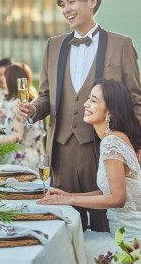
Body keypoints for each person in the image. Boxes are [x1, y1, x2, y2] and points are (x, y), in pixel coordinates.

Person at [18, 0, 141, 232]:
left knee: (105, 227)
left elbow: (135, 101)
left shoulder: (121, 44)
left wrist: (135, 145)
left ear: (92, 1)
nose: (66, 9)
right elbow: (45, 95)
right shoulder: (53, 45)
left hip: (103, 153)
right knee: (63, 225)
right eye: (62, 4)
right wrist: (33, 110)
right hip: (61, 151)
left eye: (71, 1)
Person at [38, 79, 141, 261]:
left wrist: (69, 199)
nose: (86, 104)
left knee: (64, 248)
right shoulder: (117, 138)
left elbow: (117, 199)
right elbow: (109, 191)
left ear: (109, 111)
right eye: (88, 98)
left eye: (93, 100)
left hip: (129, 245)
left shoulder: (111, 142)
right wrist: (67, 195)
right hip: (126, 237)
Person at [0, 63, 45, 170]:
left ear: (10, 82)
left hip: (23, 161)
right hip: (37, 157)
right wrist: (7, 118)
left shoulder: (16, 105)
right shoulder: (33, 102)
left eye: (5, 80)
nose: (4, 84)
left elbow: (18, 136)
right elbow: (24, 125)